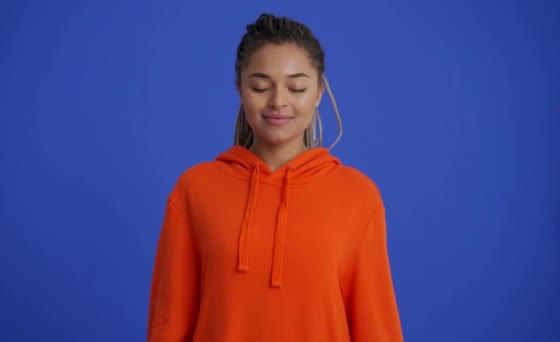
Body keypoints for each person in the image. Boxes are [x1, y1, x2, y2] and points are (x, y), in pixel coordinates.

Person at [147, 13, 403, 342]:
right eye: (260, 86)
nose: (278, 102)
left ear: (319, 92)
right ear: (239, 88)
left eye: (296, 87)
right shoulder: (194, 189)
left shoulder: (358, 195)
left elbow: (376, 327)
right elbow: (169, 324)